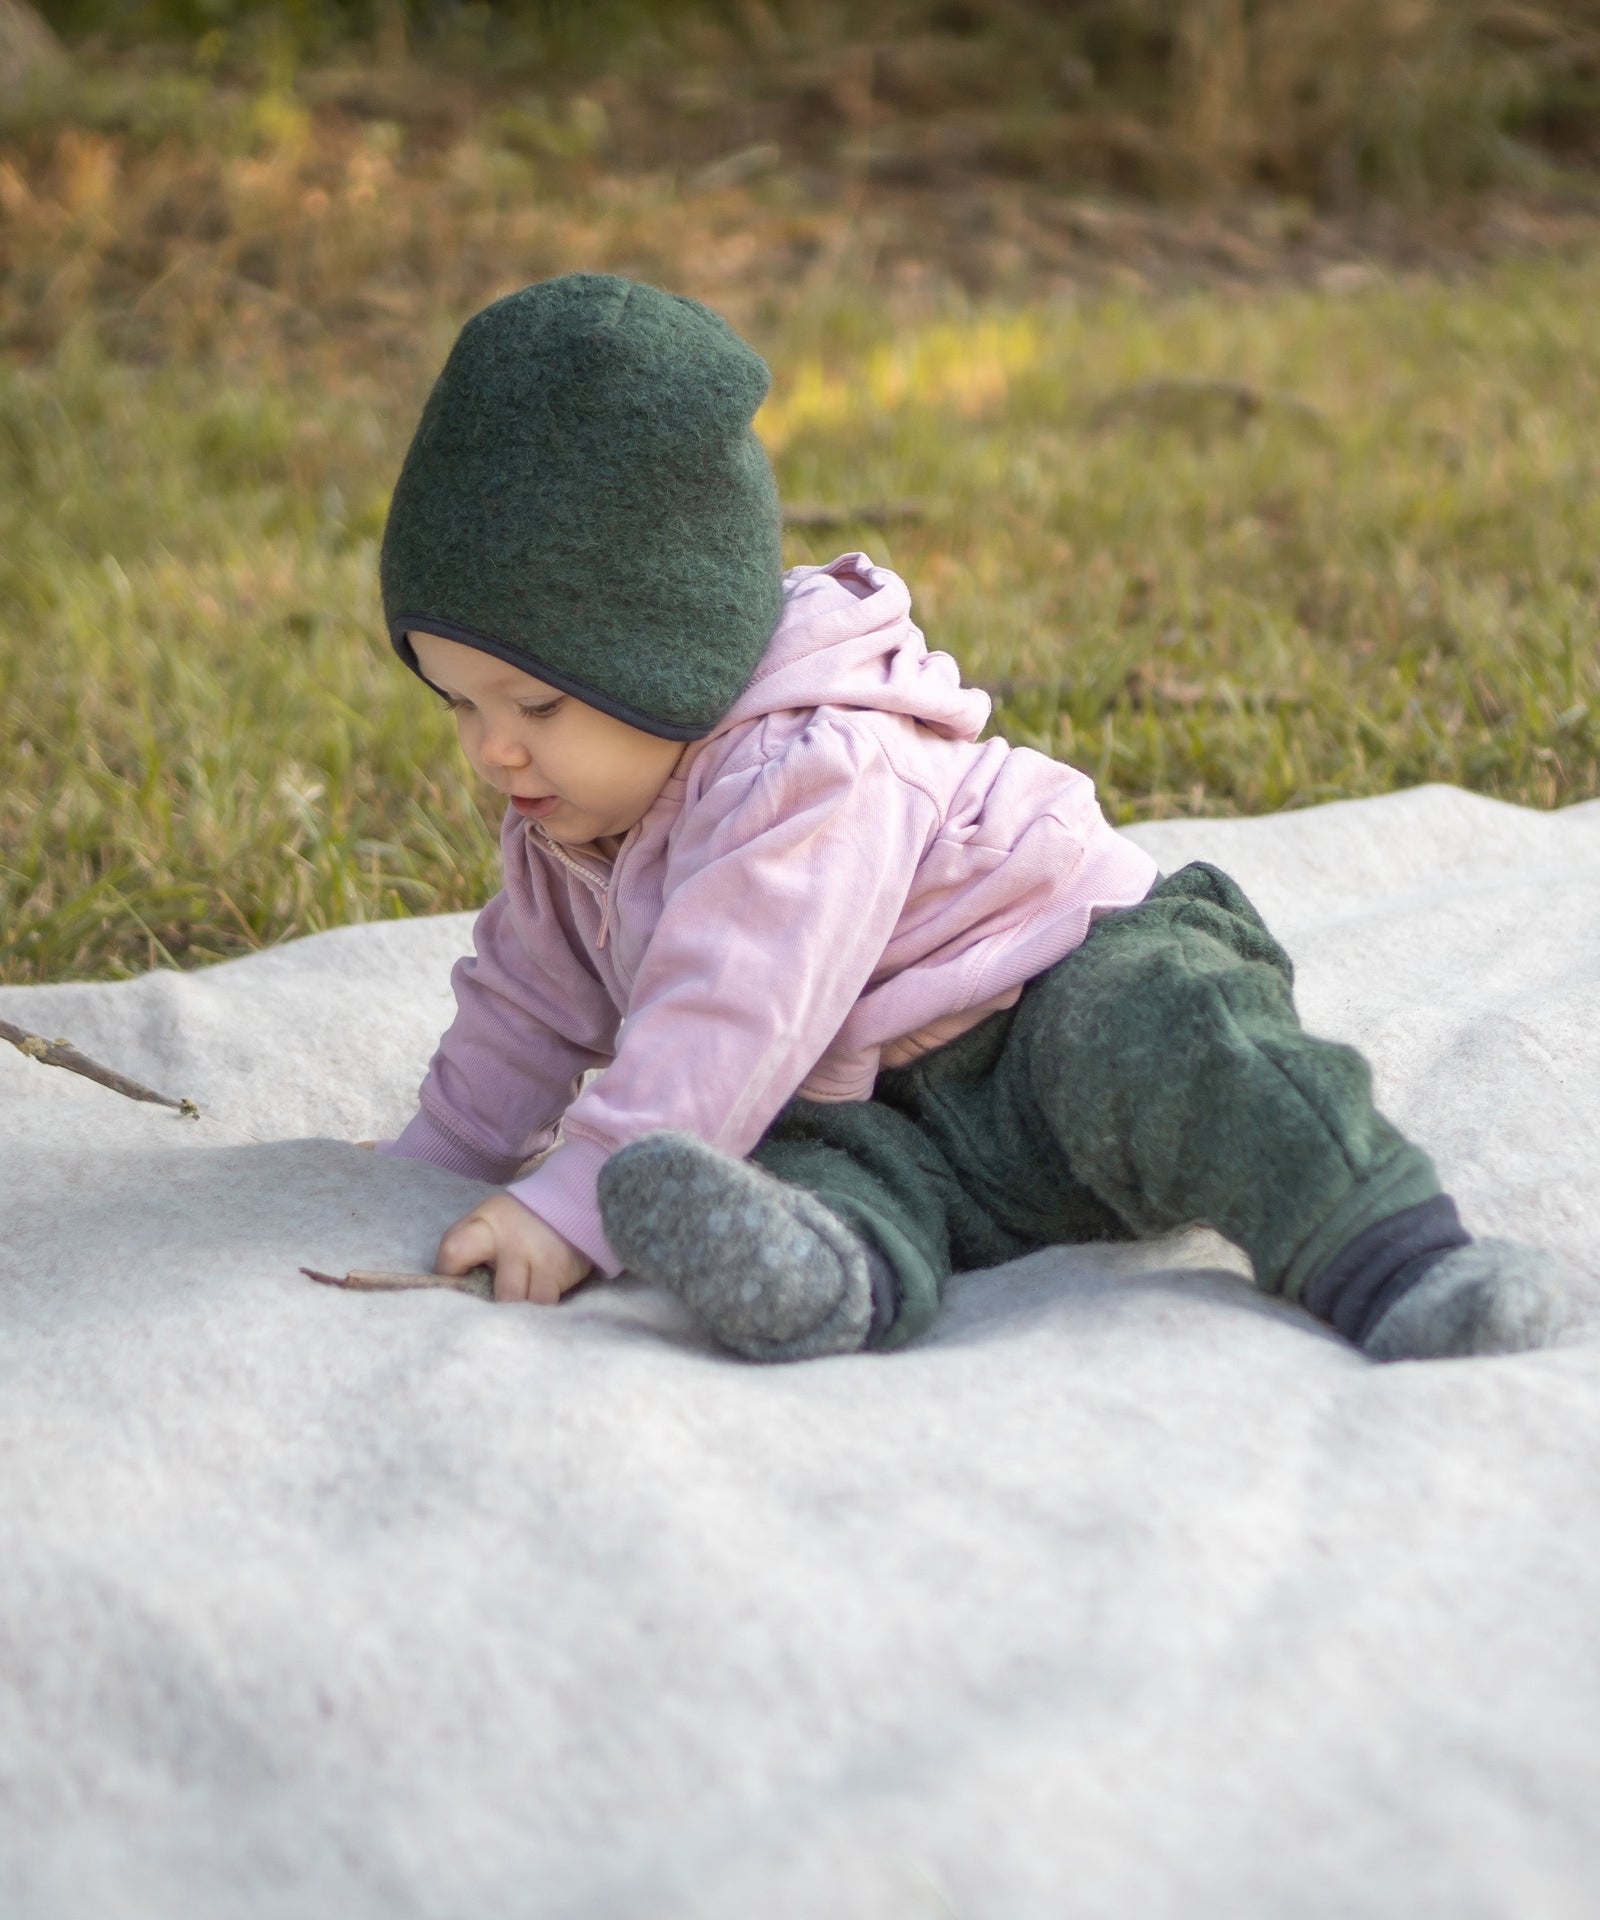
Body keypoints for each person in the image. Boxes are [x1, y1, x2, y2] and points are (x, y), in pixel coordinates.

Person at [373, 271, 1573, 1364]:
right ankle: (822, 1274)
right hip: (873, 1098)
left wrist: (580, 1192)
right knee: (794, 1155)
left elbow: (734, 998)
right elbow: (528, 1001)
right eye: (459, 704)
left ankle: (1397, 1260)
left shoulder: (814, 761)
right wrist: (441, 1164)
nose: (495, 749)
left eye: (535, 699)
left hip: (1049, 999)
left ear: (667, 654)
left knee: (1184, 1045)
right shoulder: (564, 823)